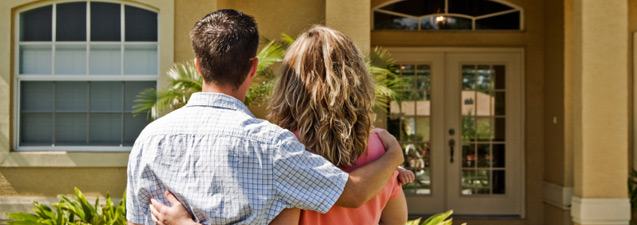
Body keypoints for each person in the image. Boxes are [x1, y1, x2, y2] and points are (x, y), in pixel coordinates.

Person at [126, 9, 404, 225]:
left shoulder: (148, 140)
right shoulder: (272, 147)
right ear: (253, 69)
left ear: (198, 66)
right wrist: (392, 158)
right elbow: (363, 199)